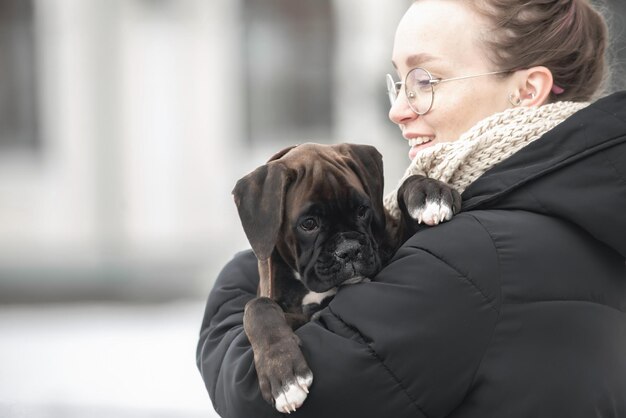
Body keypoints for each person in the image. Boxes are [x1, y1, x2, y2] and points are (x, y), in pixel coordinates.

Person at [197, 0, 626, 416]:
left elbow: (257, 399)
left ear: (527, 90)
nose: (397, 109)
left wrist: (248, 276)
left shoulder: (473, 254)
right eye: (398, 82)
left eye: (426, 81)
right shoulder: (576, 209)